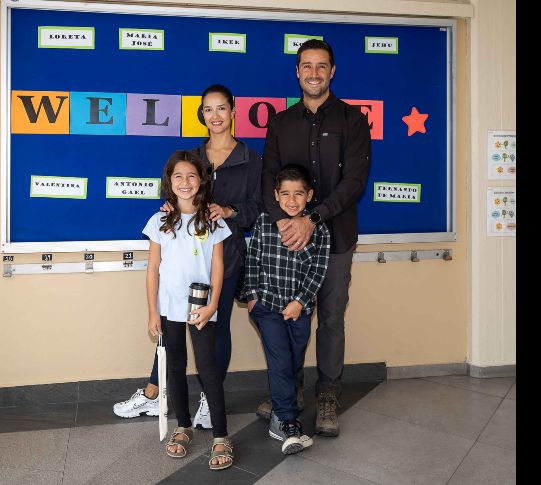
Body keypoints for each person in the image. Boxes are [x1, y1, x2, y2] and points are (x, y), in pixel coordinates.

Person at [113, 84, 262, 430]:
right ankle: (156, 392)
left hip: (224, 256)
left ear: (233, 110)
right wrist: (170, 209)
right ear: (202, 115)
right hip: (184, 257)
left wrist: (230, 210)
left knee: (214, 327)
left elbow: (260, 208)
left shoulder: (252, 160)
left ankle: (210, 401)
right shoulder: (193, 158)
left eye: (221, 108)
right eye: (208, 110)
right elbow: (175, 190)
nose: (215, 116)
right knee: (173, 323)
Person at [258, 39, 372, 437]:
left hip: (335, 238)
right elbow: (267, 178)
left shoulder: (354, 121)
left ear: (332, 71)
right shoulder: (280, 122)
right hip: (288, 241)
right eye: (307, 66)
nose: (314, 73)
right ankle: (290, 392)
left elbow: (354, 181)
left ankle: (328, 394)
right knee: (290, 315)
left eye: (322, 66)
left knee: (331, 320)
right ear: (297, 72)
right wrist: (287, 224)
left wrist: (313, 218)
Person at [143, 150, 234, 470]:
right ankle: (183, 427)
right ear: (169, 181)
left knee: (208, 368)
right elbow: (153, 268)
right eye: (178, 176)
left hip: (202, 307)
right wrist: (153, 313)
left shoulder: (212, 220)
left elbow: (218, 265)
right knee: (175, 368)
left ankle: (221, 436)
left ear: (202, 181)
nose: (185, 182)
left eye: (192, 176)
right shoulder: (159, 221)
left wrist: (212, 305)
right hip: (169, 308)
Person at [243, 164, 330, 455]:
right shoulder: (265, 222)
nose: (292, 201)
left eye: (298, 194)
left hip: (299, 310)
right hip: (267, 306)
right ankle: (288, 424)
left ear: (310, 196)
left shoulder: (320, 231)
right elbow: (252, 259)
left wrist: (300, 302)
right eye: (286, 194)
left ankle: (281, 410)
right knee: (280, 360)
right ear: (276, 196)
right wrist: (253, 298)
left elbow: (318, 271)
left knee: (292, 361)